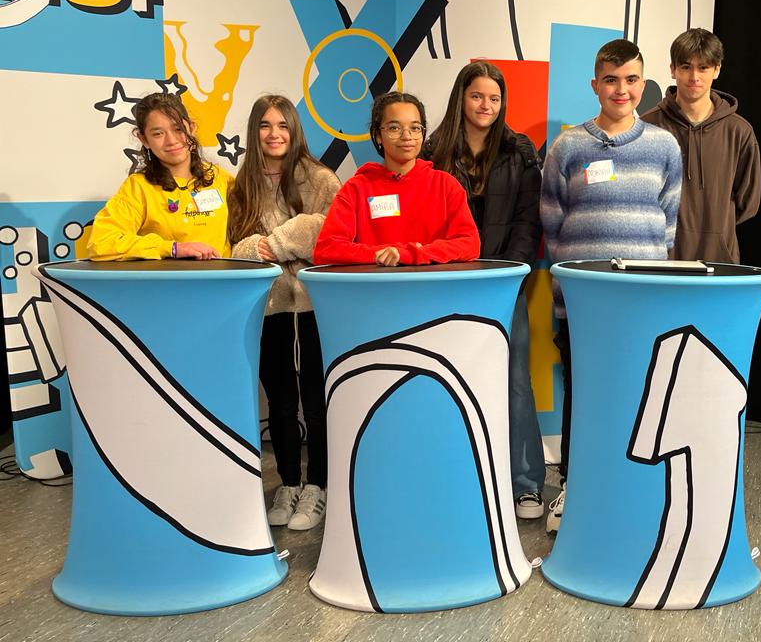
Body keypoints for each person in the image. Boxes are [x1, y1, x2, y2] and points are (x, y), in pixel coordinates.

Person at [540, 39, 682, 534]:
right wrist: (568, 287)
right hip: (583, 303)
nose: (621, 90)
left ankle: (631, 488)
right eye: (611, 80)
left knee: (638, 394)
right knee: (582, 395)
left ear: (643, 84)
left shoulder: (664, 147)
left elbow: (668, 224)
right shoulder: (567, 147)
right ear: (595, 85)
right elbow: (552, 221)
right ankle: (573, 488)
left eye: (631, 80)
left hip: (642, 301)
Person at [422, 61, 546, 521]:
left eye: (494, 98)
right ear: (461, 97)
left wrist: (508, 272)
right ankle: (457, 477)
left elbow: (528, 220)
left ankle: (526, 484)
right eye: (477, 96)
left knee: (515, 383)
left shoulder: (519, 151)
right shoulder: (432, 151)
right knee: (446, 381)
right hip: (446, 283)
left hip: (504, 283)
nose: (485, 106)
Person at [228, 95, 341, 531]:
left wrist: (277, 243)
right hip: (268, 305)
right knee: (279, 400)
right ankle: (289, 482)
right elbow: (232, 243)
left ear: (294, 130)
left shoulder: (320, 177)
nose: (274, 134)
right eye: (265, 125)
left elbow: (331, 230)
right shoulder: (241, 185)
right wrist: (253, 249)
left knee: (316, 399)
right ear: (254, 130)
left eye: (282, 125)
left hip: (313, 304)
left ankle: (318, 485)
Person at [313, 92, 480, 266]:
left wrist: (411, 254)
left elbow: (470, 244)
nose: (407, 136)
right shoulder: (356, 188)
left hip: (433, 282)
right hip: (377, 283)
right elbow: (327, 249)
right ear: (378, 135)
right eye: (394, 128)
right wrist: (382, 255)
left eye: (415, 128)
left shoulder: (446, 185)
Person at [640, 28, 760, 263]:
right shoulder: (648, 127)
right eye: (686, 67)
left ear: (717, 70)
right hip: (659, 260)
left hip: (719, 260)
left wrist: (716, 231)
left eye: (703, 67)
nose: (694, 76)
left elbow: (748, 203)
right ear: (673, 69)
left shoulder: (739, 131)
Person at [88, 93, 232, 261]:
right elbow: (101, 242)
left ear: (192, 129)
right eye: (158, 134)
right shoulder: (138, 188)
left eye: (178, 129)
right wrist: (172, 248)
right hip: (169, 277)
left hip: (221, 276)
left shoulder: (221, 178)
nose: (171, 140)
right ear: (144, 139)